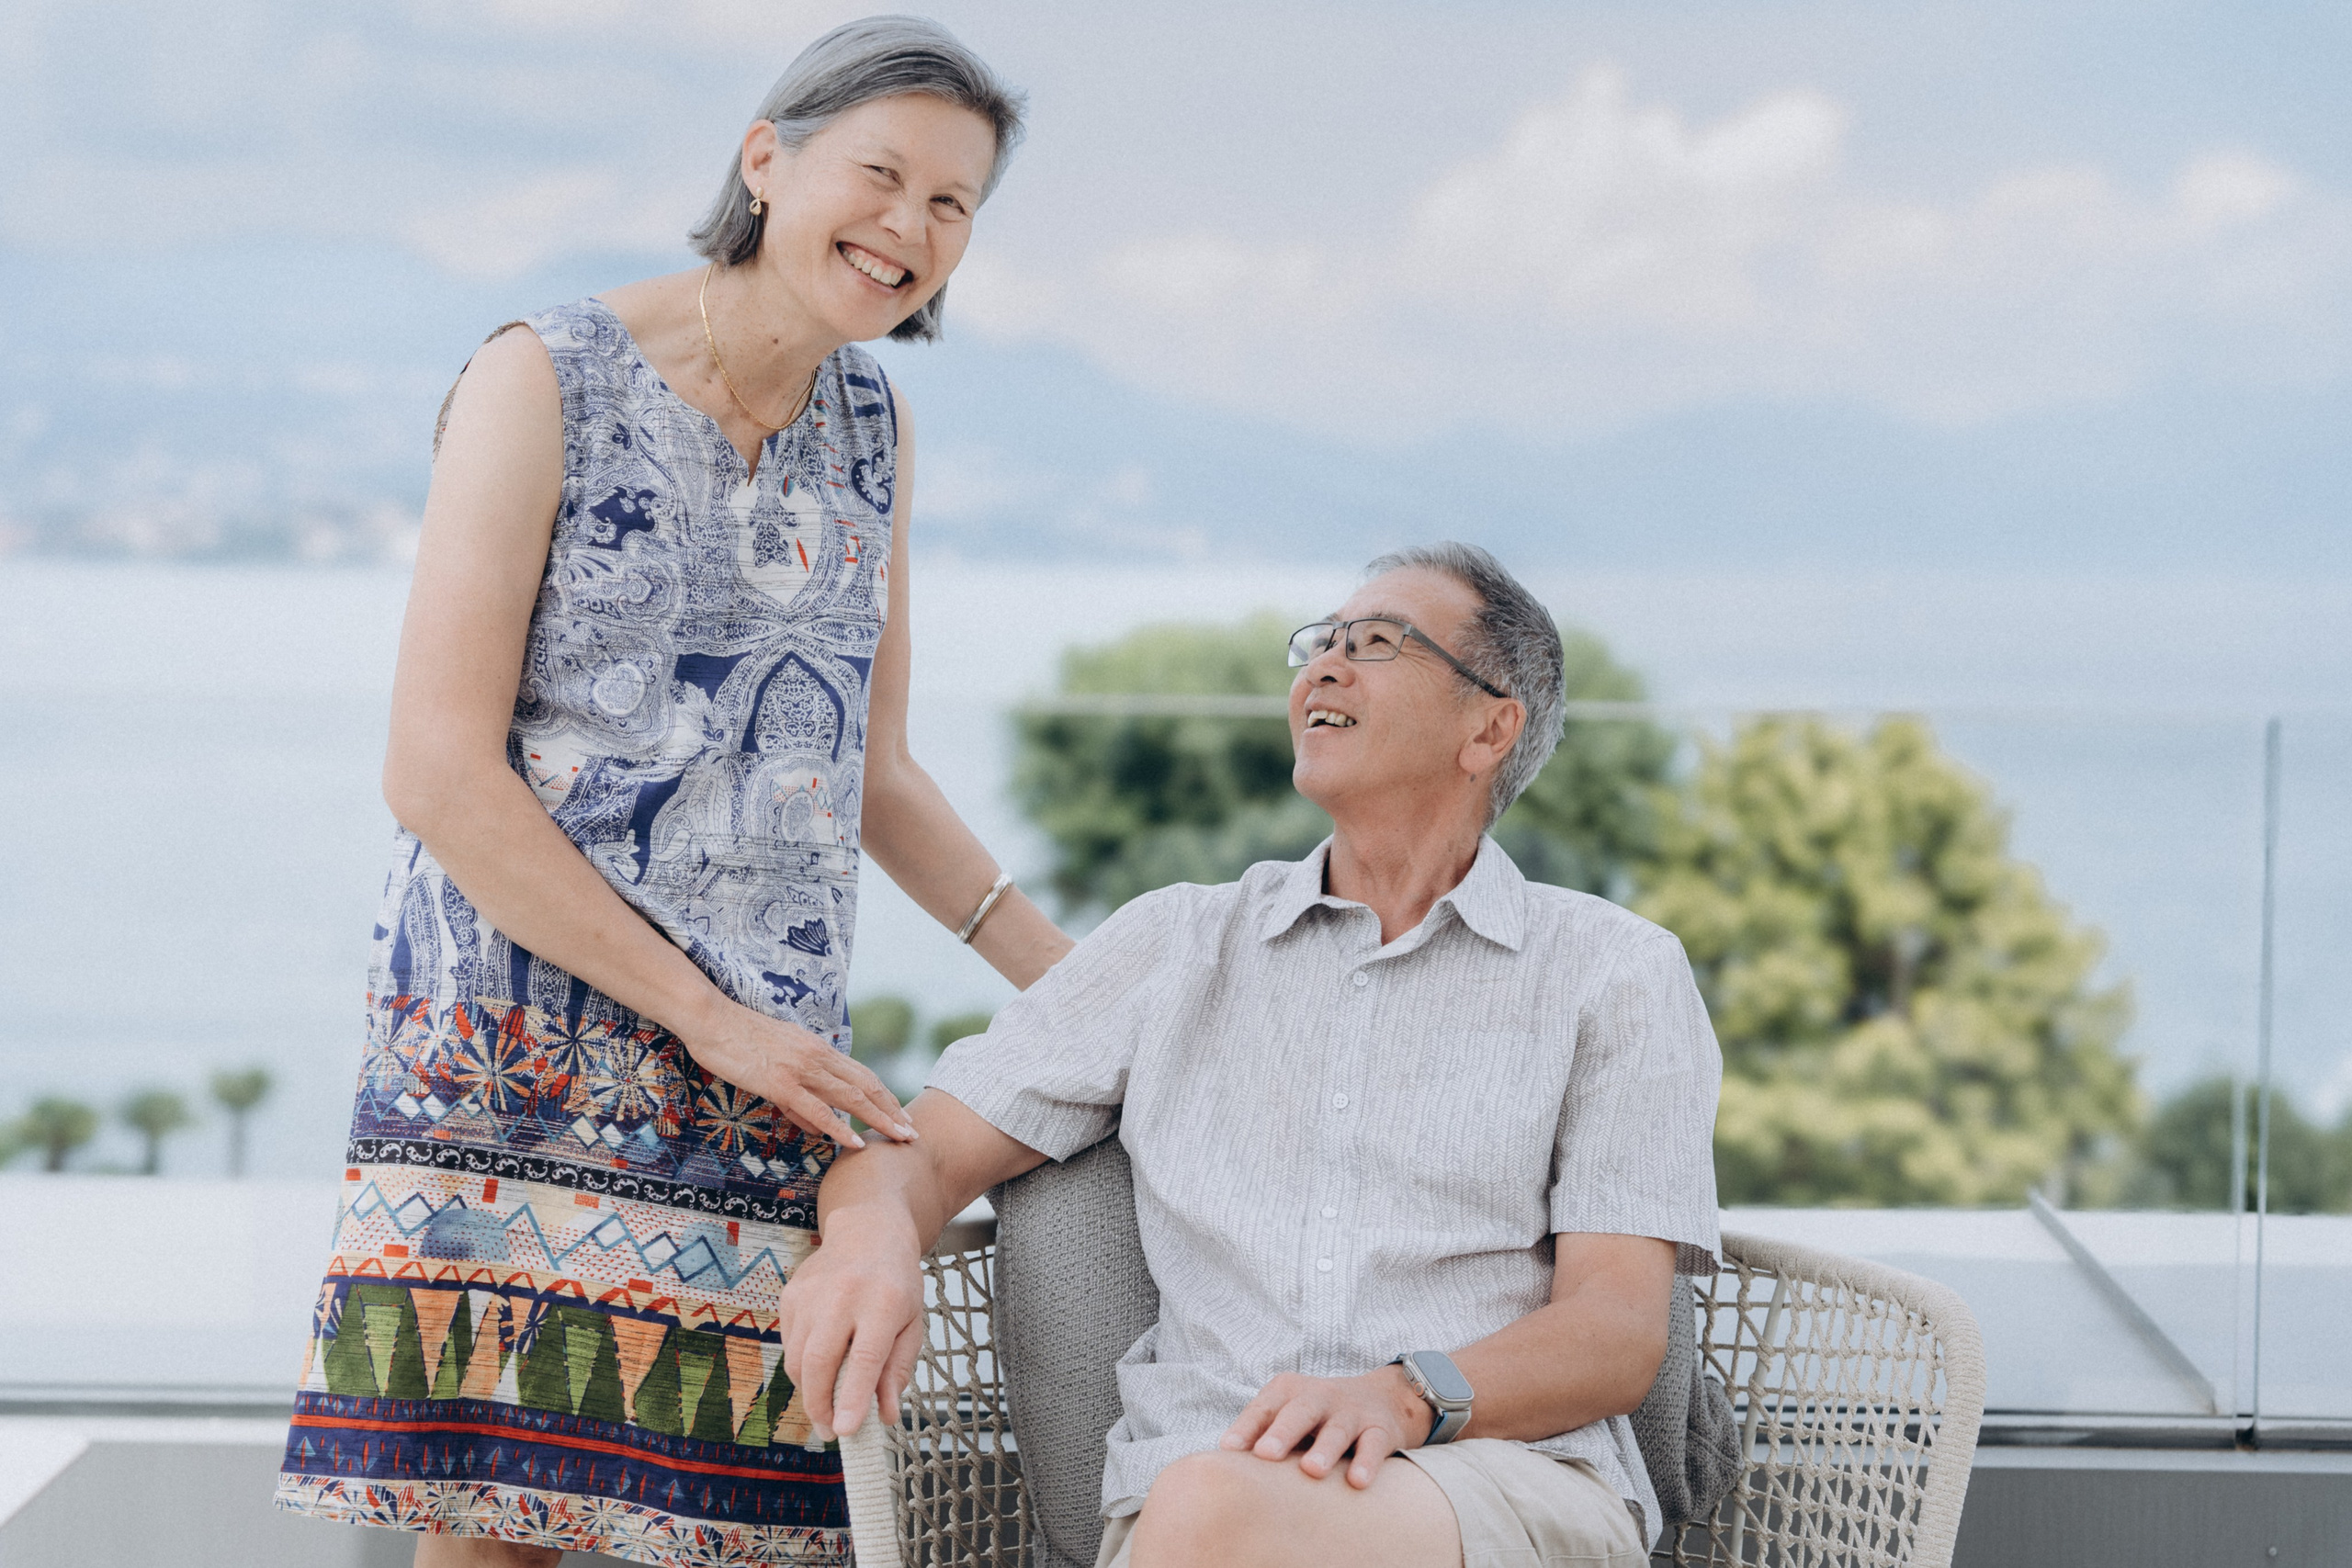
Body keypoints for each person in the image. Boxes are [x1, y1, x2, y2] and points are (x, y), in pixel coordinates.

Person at [273, 19, 1068, 1567]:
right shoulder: (541, 375)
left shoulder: (874, 424)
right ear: (767, 160)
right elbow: (436, 768)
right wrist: (708, 1016)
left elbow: (869, 770)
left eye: (952, 204)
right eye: (881, 175)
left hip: (765, 1062)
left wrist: (1090, 984)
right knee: (500, 1531)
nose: (908, 227)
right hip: (517, 1040)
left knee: (746, 1524)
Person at [783, 542, 1724, 1568]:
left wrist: (1408, 1394)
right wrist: (870, 1240)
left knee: (1214, 1509)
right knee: (1213, 1502)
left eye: (1378, 643)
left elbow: (1614, 1330)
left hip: (1498, 1480)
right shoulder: (1172, 943)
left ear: (1489, 728)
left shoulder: (1615, 971)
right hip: (1200, 1489)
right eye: (1321, 642)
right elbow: (916, 1150)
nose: (1325, 665)